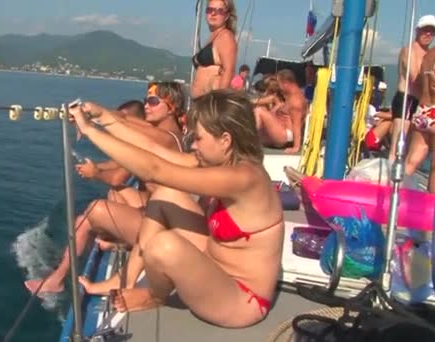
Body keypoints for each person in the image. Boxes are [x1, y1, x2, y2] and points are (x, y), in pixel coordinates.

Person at [71, 89, 284, 328]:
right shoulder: (226, 160)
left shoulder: (244, 177)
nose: (192, 144)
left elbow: (155, 170)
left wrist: (89, 131)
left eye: (199, 138)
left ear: (225, 140)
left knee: (163, 246)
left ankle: (154, 296)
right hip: (215, 266)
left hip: (242, 300)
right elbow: (157, 153)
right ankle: (128, 282)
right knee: (165, 195)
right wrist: (102, 118)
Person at [24, 83, 186, 294]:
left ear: (171, 107)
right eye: (146, 100)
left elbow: (125, 123)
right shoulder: (162, 134)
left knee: (93, 212)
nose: (147, 106)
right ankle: (119, 244)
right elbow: (125, 133)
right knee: (116, 192)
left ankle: (57, 279)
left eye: (154, 102)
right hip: (159, 213)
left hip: (164, 227)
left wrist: (91, 119)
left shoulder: (166, 138)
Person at [388, 15, 435, 161]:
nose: (428, 34)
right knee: (398, 145)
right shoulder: (410, 50)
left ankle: (403, 177)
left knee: (409, 146)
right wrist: (432, 77)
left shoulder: (428, 54)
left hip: (418, 103)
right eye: (425, 30)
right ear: (417, 30)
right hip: (406, 100)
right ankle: (391, 179)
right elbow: (415, 77)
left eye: (432, 31)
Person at [405, 44, 435, 194]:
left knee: (411, 161)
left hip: (423, 110)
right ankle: (434, 209)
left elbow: (421, 82)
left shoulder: (429, 55)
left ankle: (395, 197)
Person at [190, 0, 238, 99]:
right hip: (201, 102)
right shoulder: (214, 37)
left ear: (227, 16)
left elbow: (228, 70)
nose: (213, 13)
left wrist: (218, 101)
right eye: (209, 9)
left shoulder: (225, 36)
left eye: (219, 11)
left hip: (211, 103)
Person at [254, 69, 307, 153]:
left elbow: (297, 125)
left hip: (286, 136)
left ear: (286, 83)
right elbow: (272, 98)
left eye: (279, 84)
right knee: (261, 109)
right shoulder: (290, 96)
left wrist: (296, 147)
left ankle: (250, 138)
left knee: (259, 111)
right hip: (280, 133)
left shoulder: (296, 101)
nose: (278, 86)